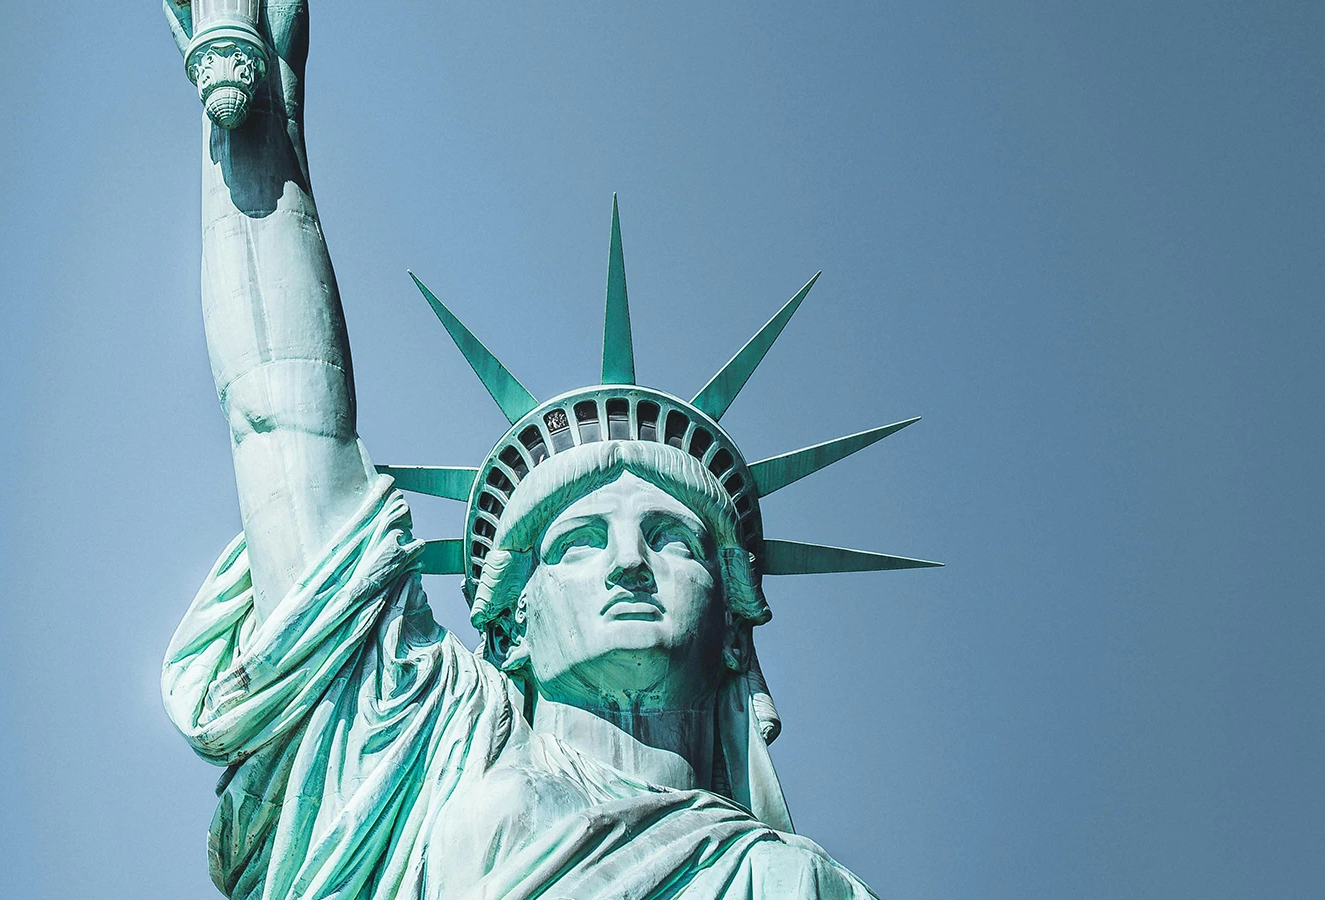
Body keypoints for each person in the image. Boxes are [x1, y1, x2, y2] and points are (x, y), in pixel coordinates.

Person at [160, 2, 888, 896]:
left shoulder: (791, 883)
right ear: (508, 626)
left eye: (673, 540)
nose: (630, 563)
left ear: (736, 631)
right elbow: (280, 417)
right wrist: (265, 125)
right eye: (578, 542)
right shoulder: (425, 763)